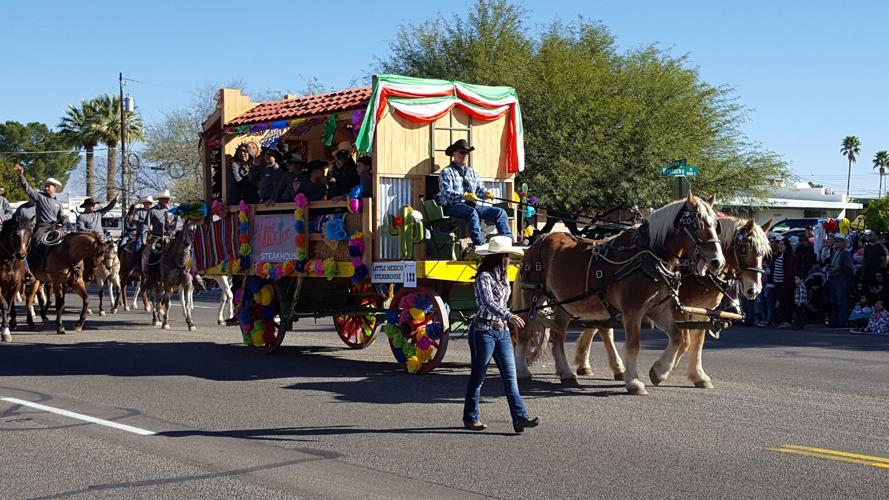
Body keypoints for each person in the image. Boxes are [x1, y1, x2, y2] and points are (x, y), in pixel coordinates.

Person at [463, 235, 539, 434]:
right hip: (483, 331)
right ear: (497, 257)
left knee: (510, 377)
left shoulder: (504, 278)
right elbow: (488, 302)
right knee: (478, 377)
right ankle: (471, 417)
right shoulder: (483, 277)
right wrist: (509, 316)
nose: (509, 260)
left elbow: (505, 302)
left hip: (501, 331)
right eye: (506, 256)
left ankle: (520, 418)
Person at [437, 139, 511, 246]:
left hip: (472, 206)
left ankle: (508, 240)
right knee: (471, 212)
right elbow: (446, 193)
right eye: (462, 152)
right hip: (453, 206)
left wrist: (486, 193)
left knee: (500, 212)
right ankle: (478, 243)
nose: (465, 155)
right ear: (454, 154)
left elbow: (480, 190)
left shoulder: (472, 172)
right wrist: (464, 195)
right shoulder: (446, 172)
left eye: (467, 153)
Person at [12, 163, 65, 272]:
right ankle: (30, 270)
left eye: (48, 186)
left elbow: (61, 219)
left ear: (54, 188)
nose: (46, 187)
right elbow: (27, 189)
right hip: (42, 228)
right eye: (45, 186)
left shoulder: (59, 204)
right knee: (35, 245)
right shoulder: (40, 197)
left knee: (67, 245)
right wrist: (21, 176)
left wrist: (62, 223)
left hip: (55, 229)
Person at [141, 190, 177, 277]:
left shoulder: (171, 211)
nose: (168, 201)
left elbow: (176, 224)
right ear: (160, 199)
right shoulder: (152, 211)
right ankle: (152, 275)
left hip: (170, 237)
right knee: (154, 254)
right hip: (157, 238)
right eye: (166, 199)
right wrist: (144, 237)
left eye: (168, 199)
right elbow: (146, 225)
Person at [827, 235, 854, 327]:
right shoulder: (833, 252)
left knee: (841, 301)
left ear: (843, 243)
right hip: (833, 278)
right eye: (835, 241)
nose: (836, 243)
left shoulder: (845, 253)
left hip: (841, 279)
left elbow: (849, 268)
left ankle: (841, 321)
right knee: (834, 301)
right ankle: (834, 321)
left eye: (838, 241)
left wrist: (838, 269)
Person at [773, 239, 796, 328]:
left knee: (787, 302)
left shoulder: (789, 256)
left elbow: (789, 271)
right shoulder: (779, 255)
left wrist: (785, 283)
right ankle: (783, 320)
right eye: (779, 244)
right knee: (782, 302)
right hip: (777, 282)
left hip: (785, 283)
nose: (780, 246)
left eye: (782, 245)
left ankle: (788, 321)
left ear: (787, 246)